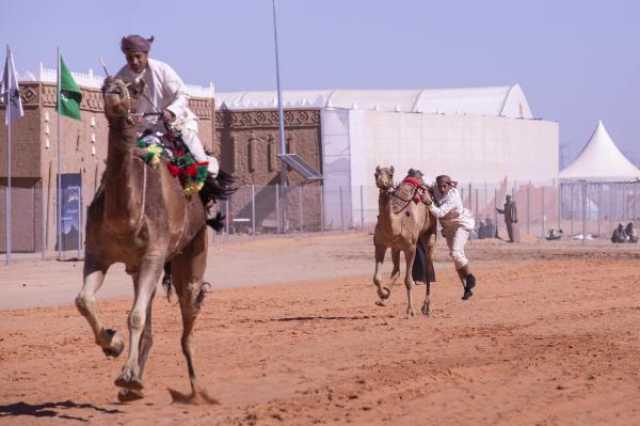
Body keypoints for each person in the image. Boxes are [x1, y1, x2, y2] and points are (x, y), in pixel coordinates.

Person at [115, 34, 219, 177]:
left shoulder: (162, 69)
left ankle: (210, 172)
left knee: (199, 162)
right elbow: (118, 105)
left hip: (177, 125)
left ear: (146, 54)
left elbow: (183, 94)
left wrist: (171, 111)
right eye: (129, 58)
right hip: (146, 133)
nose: (134, 61)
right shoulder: (121, 77)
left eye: (138, 56)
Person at [423, 175, 477, 300]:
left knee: (456, 253)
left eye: (444, 186)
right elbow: (424, 179)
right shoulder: (435, 186)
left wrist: (429, 203)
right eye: (440, 186)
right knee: (456, 257)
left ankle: (470, 277)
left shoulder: (453, 196)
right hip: (448, 227)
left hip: (460, 224)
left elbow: (439, 213)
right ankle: (467, 288)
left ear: (449, 185)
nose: (442, 189)